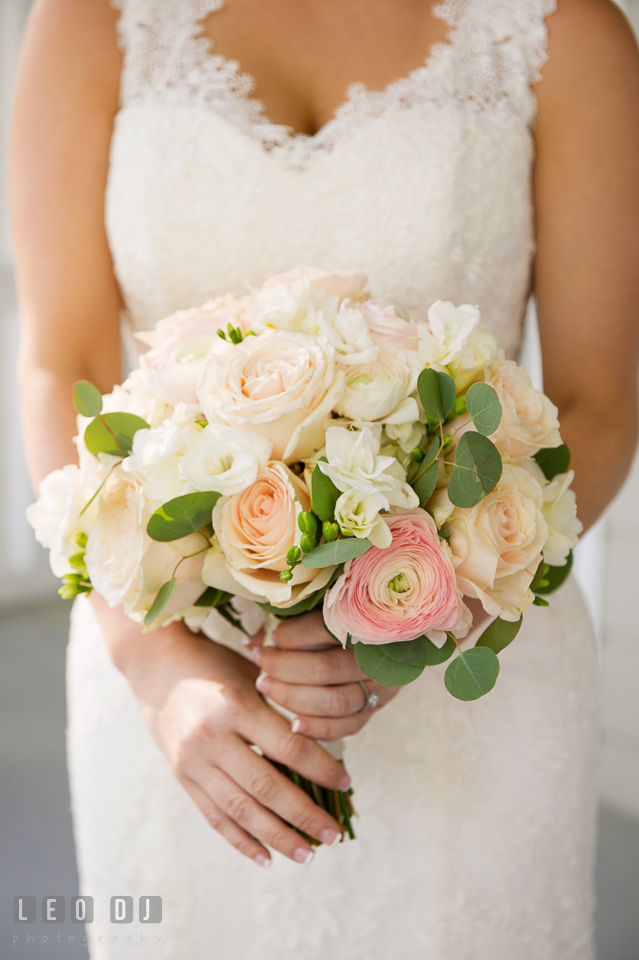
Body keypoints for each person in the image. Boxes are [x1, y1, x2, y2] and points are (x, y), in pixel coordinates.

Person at [11, 0, 639, 957]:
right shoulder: (91, 17)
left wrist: (428, 611)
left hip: (474, 678)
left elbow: (599, 401)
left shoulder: (562, 29)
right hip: (174, 664)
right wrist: (154, 663)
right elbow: (64, 360)